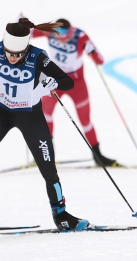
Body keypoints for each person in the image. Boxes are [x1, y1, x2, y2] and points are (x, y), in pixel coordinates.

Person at [0, 18, 89, 231]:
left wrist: (53, 83)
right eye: (9, 53)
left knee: (48, 168)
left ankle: (60, 213)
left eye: (17, 54)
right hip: (0, 112)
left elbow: (67, 82)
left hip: (29, 116)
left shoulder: (37, 57)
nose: (12, 58)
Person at [31, 18, 119, 167]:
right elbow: (30, 33)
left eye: (65, 35)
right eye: (58, 34)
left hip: (76, 84)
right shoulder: (49, 31)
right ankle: (46, 153)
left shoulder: (80, 36)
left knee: (85, 120)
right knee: (45, 114)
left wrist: (92, 51)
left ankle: (98, 156)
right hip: (55, 81)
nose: (62, 38)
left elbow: (100, 61)